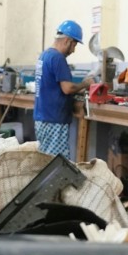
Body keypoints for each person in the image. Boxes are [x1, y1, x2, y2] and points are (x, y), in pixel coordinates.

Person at [34, 20, 94, 158]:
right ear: (67, 40)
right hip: (54, 120)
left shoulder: (45, 55)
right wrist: (85, 84)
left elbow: (54, 86)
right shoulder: (58, 58)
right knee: (56, 164)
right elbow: (67, 89)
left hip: (42, 118)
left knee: (45, 160)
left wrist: (78, 89)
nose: (73, 50)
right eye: (74, 45)